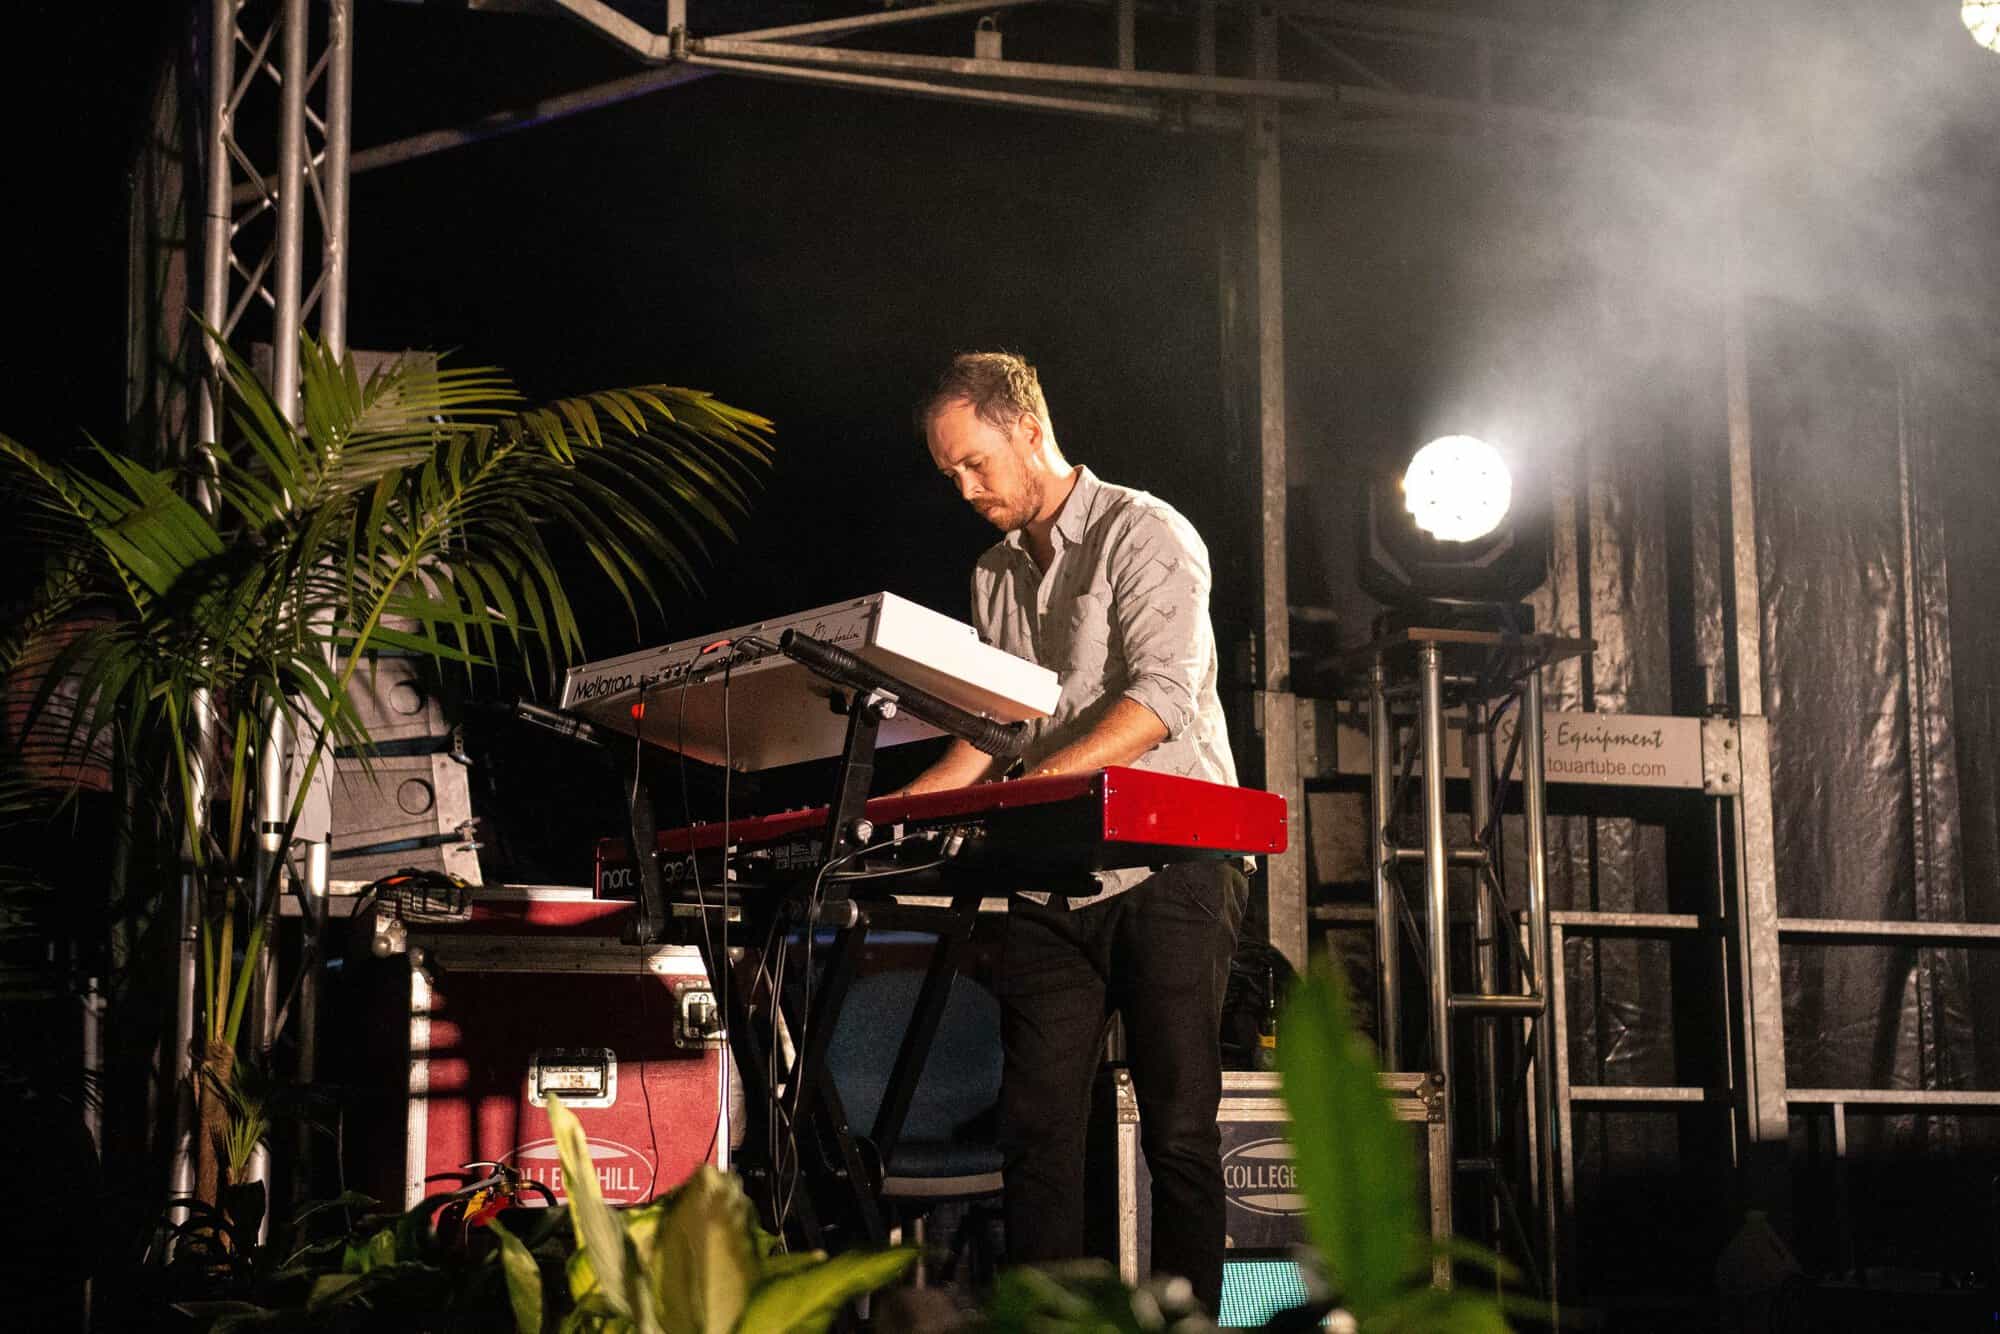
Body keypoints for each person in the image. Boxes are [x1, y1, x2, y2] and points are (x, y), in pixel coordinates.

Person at [899, 351, 1248, 1316]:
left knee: (1179, 1132)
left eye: (975, 463)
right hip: (1055, 875)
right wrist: (894, 819)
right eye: (949, 475)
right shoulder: (992, 575)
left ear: (1028, 430)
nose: (966, 490)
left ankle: (1189, 1326)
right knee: (1037, 1134)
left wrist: (1025, 789)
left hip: (1174, 865)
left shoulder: (1146, 531)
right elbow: (997, 727)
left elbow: (1163, 699)